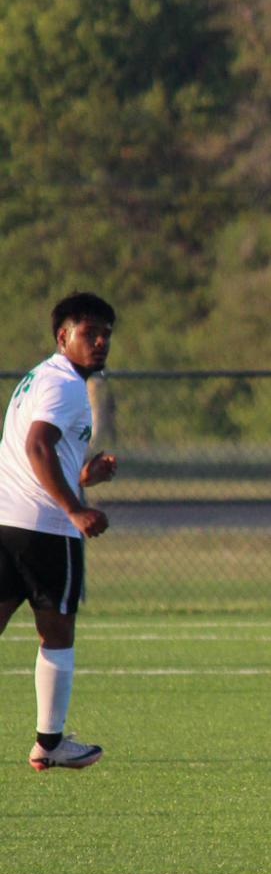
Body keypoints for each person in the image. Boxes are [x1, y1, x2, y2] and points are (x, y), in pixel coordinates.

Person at [0, 292, 118, 769]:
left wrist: (82, 477)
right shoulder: (66, 384)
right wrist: (75, 508)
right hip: (45, 528)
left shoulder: (39, 378)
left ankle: (50, 745)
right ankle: (50, 745)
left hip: (7, 520)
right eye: (90, 333)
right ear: (62, 336)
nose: (101, 341)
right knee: (57, 632)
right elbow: (37, 446)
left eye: (106, 333)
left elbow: (43, 452)